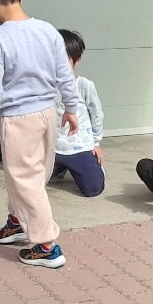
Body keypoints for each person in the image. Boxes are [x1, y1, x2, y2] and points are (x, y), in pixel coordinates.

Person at [0, 0, 79, 269]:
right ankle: (17, 221)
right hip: (47, 115)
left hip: (19, 120)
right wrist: (71, 108)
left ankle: (46, 246)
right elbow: (65, 75)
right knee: (34, 175)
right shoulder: (47, 31)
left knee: (24, 180)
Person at [51, 29, 104, 198]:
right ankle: (59, 168)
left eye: (63, 59)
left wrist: (95, 142)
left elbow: (96, 114)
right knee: (33, 182)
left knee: (93, 189)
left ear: (76, 60)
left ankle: (91, 167)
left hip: (79, 146)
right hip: (51, 147)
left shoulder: (84, 85)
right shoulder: (43, 86)